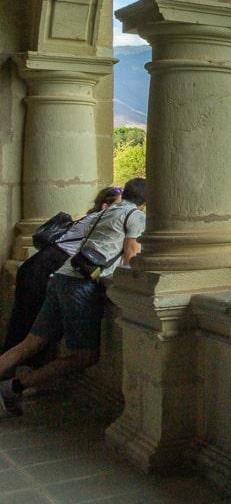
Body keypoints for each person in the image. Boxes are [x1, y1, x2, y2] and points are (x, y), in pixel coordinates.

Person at [0, 178, 146, 416]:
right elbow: (131, 257)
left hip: (60, 275)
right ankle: (13, 387)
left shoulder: (106, 211)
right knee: (86, 356)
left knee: (30, 343)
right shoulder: (136, 216)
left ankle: (10, 388)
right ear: (145, 201)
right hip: (80, 284)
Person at [0, 187, 124, 377]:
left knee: (29, 327)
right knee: (27, 327)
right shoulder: (103, 222)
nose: (124, 210)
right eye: (120, 204)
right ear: (105, 205)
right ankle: (12, 378)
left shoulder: (92, 219)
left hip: (41, 265)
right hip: (46, 268)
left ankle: (18, 377)